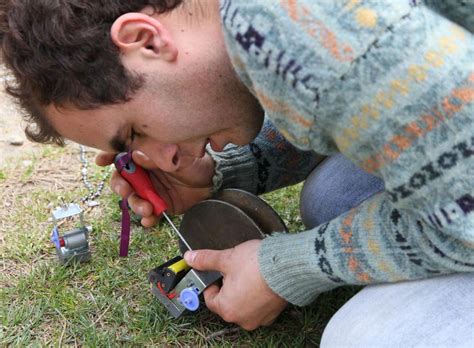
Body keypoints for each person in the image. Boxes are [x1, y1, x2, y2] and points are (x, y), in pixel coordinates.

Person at [1, 0, 473, 344]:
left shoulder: (296, 26)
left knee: (368, 339)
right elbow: (367, 103)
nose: (158, 159)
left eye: (134, 133)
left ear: (146, 39)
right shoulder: (249, 24)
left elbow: (465, 216)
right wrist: (221, 171)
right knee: (330, 198)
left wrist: (288, 268)